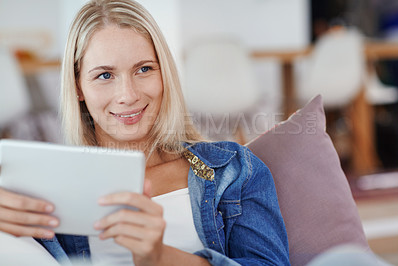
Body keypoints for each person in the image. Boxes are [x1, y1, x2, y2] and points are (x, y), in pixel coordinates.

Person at [0, 0, 290, 265]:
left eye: (144, 69)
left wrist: (161, 257)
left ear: (164, 73)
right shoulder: (41, 189)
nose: (128, 95)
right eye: (105, 75)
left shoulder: (234, 169)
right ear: (78, 86)